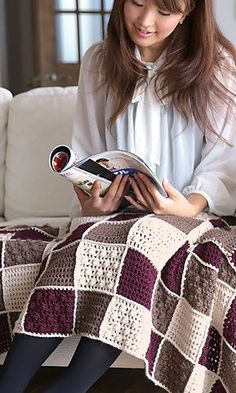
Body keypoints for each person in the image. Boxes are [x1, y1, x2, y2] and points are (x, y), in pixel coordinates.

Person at [0, 1, 236, 392]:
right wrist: (92, 201)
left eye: (164, 10)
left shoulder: (220, 64)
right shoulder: (100, 59)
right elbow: (91, 149)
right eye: (137, 3)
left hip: (192, 219)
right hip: (119, 215)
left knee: (136, 241)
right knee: (101, 238)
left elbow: (225, 162)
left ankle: (69, 386)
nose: (145, 21)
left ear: (189, 10)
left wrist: (187, 206)